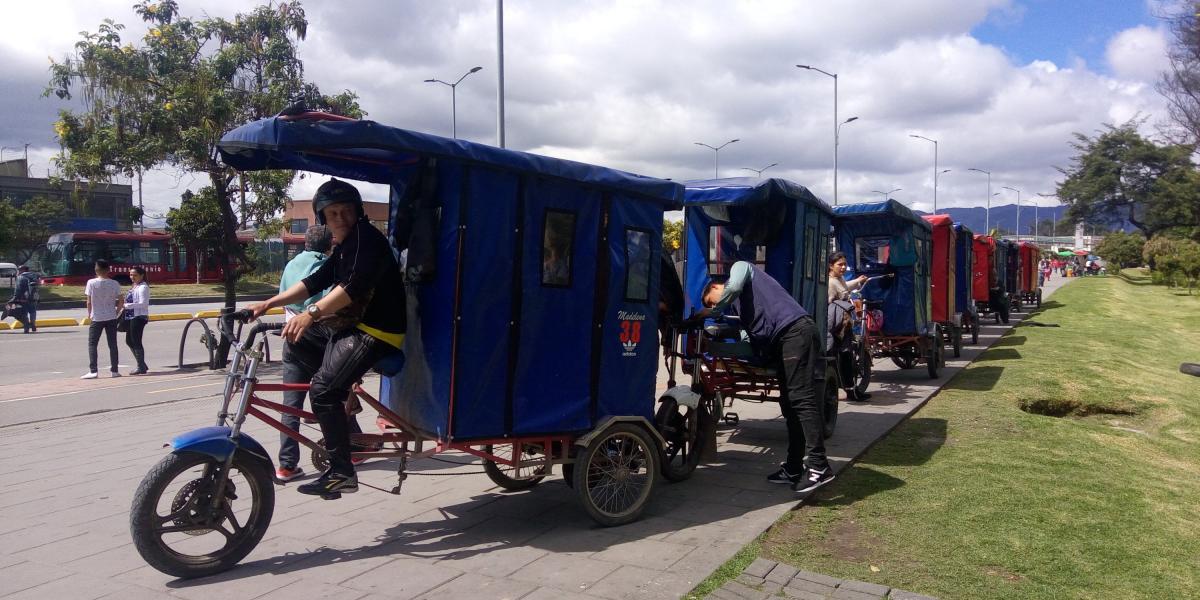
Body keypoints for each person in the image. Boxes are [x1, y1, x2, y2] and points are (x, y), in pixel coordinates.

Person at [248, 178, 405, 498]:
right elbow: (316, 279)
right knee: (298, 340)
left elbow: (354, 287)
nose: (340, 219)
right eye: (332, 214)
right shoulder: (346, 245)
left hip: (377, 330)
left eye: (345, 211)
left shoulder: (366, 240)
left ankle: (342, 471)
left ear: (357, 212)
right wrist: (268, 303)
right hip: (355, 328)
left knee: (321, 391)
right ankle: (339, 388)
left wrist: (312, 314)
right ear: (322, 218)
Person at [697, 260, 832, 493]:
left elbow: (734, 287)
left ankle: (819, 466)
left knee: (801, 399)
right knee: (789, 404)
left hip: (795, 331)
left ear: (717, 287)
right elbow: (748, 339)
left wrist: (711, 312)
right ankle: (793, 467)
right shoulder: (743, 310)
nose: (717, 306)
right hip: (784, 340)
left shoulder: (741, 269)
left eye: (712, 300)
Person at [274, 224, 334, 482]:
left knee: (292, 404)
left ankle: (287, 465)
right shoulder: (328, 266)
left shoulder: (290, 265)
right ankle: (349, 447)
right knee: (333, 394)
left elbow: (284, 298)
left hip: (292, 337)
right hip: (320, 337)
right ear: (329, 245)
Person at [83, 259, 123, 379]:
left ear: (96, 270)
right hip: (111, 316)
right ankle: (114, 370)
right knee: (112, 344)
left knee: (92, 344)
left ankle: (93, 370)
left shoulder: (91, 283)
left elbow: (89, 301)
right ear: (108, 270)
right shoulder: (114, 283)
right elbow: (121, 301)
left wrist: (89, 314)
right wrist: (116, 312)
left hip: (97, 317)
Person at [123, 266, 151, 375]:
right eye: (131, 275)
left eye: (135, 275)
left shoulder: (143, 287)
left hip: (139, 317)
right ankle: (142, 364)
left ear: (141, 275)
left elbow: (143, 304)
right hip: (131, 316)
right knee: (129, 340)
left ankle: (141, 367)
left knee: (136, 341)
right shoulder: (135, 286)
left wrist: (127, 306)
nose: (132, 277)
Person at [6, 265, 40, 334]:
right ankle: (33, 323)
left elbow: (18, 289)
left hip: (23, 299)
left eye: (19, 270)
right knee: (32, 311)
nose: (18, 271)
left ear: (23, 270)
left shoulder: (20, 277)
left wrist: (14, 298)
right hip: (33, 298)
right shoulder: (34, 275)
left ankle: (26, 327)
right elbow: (37, 286)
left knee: (23, 313)